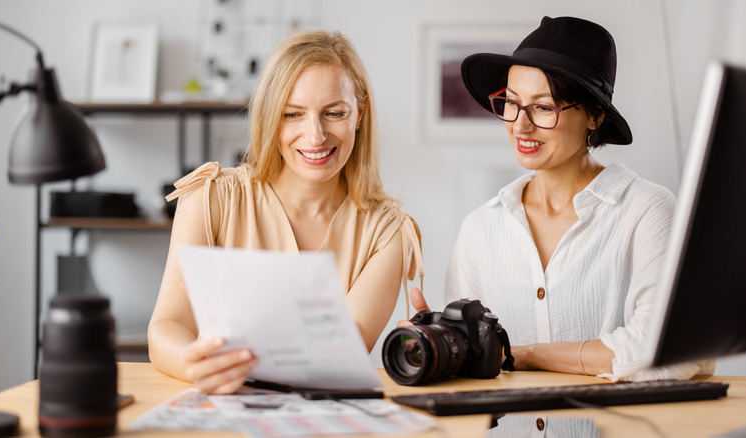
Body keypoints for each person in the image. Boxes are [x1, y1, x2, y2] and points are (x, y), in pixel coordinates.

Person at [404, 16, 713, 381]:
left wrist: (527, 354)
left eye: (544, 107)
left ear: (595, 116)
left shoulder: (647, 210)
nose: (520, 125)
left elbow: (669, 351)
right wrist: (434, 344)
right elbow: (473, 360)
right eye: (511, 102)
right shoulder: (480, 227)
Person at [148, 30, 423, 394]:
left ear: (359, 113)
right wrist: (195, 363)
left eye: (334, 113)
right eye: (292, 114)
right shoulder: (210, 197)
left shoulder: (388, 232)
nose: (315, 136)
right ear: (270, 117)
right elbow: (167, 326)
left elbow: (341, 355)